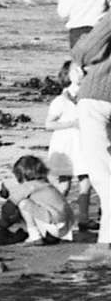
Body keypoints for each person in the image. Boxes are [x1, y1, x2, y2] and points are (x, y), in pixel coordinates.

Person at [69, 9, 111, 255]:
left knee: (102, 175)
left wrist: (79, 59)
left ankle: (106, 241)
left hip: (99, 95)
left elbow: (83, 50)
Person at [43, 63, 93, 230]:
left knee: (86, 181)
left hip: (83, 144)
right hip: (66, 147)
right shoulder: (60, 101)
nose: (81, 73)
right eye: (76, 70)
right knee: (64, 185)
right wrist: (72, 123)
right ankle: (54, 216)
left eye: (82, 70)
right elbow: (48, 124)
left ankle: (84, 219)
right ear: (67, 75)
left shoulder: (87, 97)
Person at [0, 155, 74, 245]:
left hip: (54, 225)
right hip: (67, 227)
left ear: (21, 175)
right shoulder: (47, 185)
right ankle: (49, 236)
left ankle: (35, 237)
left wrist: (2, 223)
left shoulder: (28, 186)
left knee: (23, 203)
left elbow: (8, 206)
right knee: (35, 208)